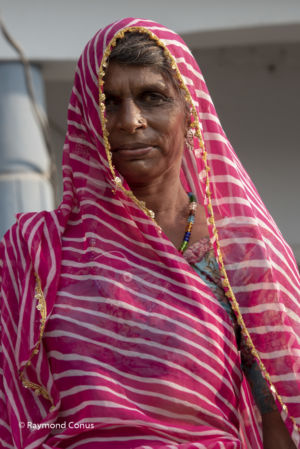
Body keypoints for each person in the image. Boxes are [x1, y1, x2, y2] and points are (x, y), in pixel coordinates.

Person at [0, 17, 299, 449]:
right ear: (87, 117)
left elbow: (278, 428)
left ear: (189, 111)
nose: (130, 120)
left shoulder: (238, 253)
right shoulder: (37, 251)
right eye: (109, 102)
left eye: (152, 97)